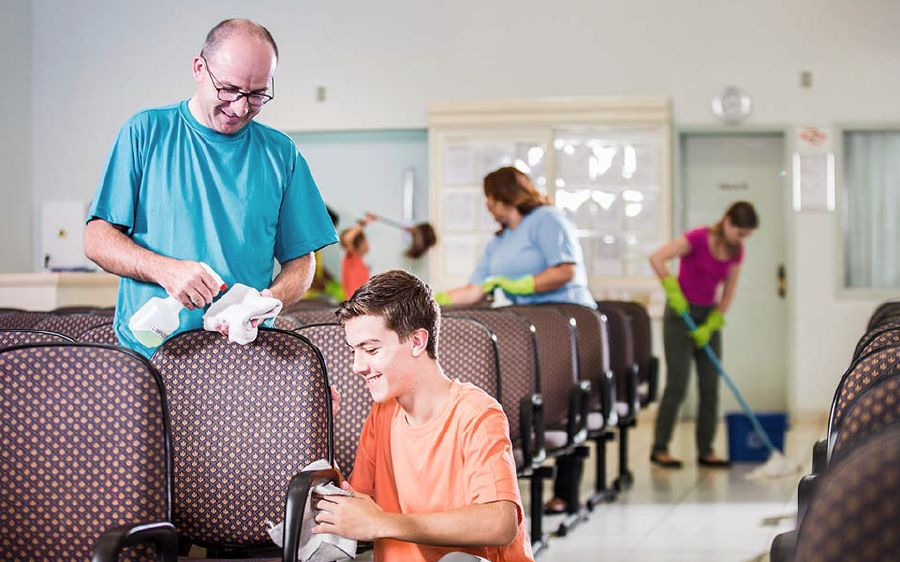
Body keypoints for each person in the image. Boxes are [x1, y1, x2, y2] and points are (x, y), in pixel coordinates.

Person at [83, 19, 338, 357]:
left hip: (243, 354)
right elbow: (97, 238)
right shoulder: (145, 133)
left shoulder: (281, 154)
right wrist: (165, 269)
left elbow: (302, 263)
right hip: (151, 354)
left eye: (257, 94)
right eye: (229, 90)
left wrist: (266, 302)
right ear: (199, 68)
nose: (240, 108)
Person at [315, 270, 534, 562]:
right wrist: (318, 429)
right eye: (354, 351)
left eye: (370, 349)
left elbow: (500, 522)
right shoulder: (383, 412)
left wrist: (382, 522)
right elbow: (357, 505)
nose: (357, 366)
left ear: (417, 342)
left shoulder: (477, 413)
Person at [649, 201, 759, 468]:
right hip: (680, 315)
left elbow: (729, 289)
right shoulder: (698, 238)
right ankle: (660, 448)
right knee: (678, 385)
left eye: (746, 235)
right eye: (740, 232)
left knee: (710, 387)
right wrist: (671, 289)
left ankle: (706, 451)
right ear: (728, 222)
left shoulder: (736, 251)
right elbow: (657, 258)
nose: (742, 239)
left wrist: (714, 321)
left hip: (708, 317)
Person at [436, 166, 594, 309]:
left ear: (503, 195)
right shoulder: (498, 242)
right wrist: (432, 301)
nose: (487, 205)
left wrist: (524, 285)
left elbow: (565, 272)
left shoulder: (547, 218)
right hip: (531, 316)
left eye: (489, 197)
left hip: (568, 311)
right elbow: (475, 290)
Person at [339, 212, 376, 297]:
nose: (367, 243)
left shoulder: (359, 261)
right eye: (365, 240)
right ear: (358, 243)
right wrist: (364, 221)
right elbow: (347, 239)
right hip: (354, 303)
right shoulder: (351, 256)